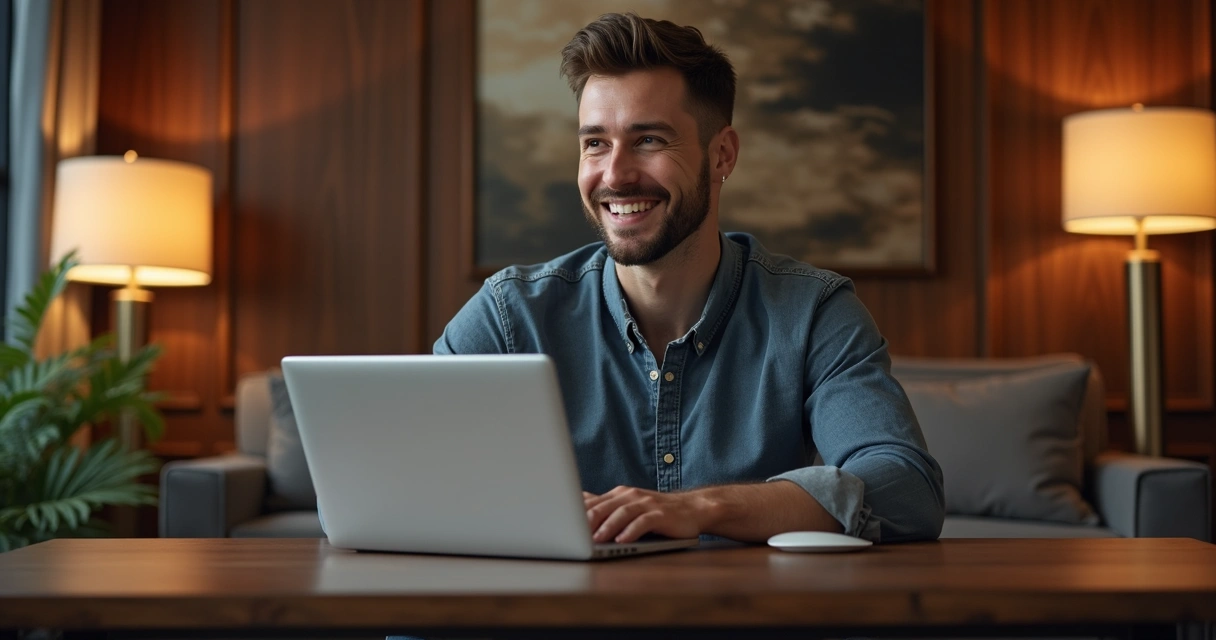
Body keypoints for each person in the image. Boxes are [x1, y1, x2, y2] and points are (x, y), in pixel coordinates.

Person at [435, 12, 944, 545]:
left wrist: (701, 507)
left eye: (649, 140)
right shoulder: (510, 316)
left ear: (722, 154)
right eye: (595, 143)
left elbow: (906, 487)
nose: (614, 174)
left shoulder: (813, 312)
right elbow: (360, 487)